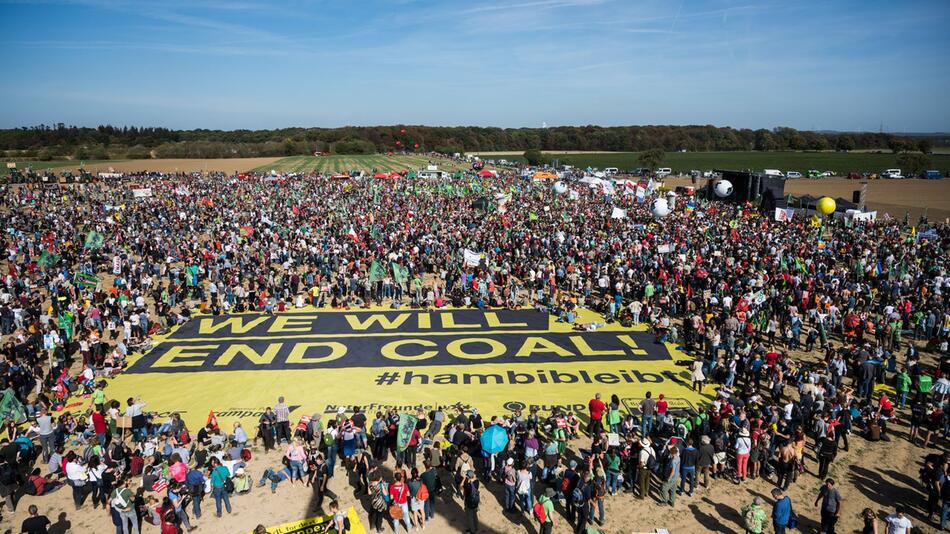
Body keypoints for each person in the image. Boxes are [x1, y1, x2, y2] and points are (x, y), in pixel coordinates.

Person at [460, 469, 480, 534]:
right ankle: (476, 527)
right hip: (475, 502)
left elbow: (460, 487)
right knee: (475, 514)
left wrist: (464, 479)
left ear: (468, 476)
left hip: (469, 502)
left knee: (470, 517)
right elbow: (475, 478)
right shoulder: (477, 482)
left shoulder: (467, 486)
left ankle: (472, 531)